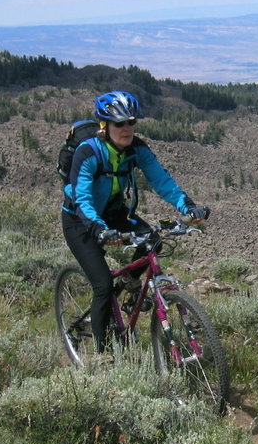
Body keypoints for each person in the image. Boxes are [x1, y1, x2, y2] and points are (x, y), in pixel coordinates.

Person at [61, 90, 209, 354]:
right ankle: (103, 353)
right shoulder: (89, 153)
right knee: (103, 285)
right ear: (105, 125)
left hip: (115, 212)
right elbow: (82, 199)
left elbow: (161, 180)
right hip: (80, 220)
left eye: (131, 122)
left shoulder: (137, 148)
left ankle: (129, 282)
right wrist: (100, 230)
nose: (127, 128)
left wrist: (188, 206)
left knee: (153, 241)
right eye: (120, 123)